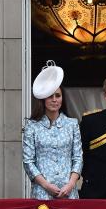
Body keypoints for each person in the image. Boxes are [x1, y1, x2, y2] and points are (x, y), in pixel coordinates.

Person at [22, 61, 82, 200]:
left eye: (58, 95)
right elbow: (28, 161)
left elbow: (78, 157)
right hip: (42, 193)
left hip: (69, 192)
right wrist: (46, 185)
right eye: (50, 96)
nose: (54, 100)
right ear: (43, 99)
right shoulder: (32, 126)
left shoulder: (72, 124)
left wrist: (71, 184)